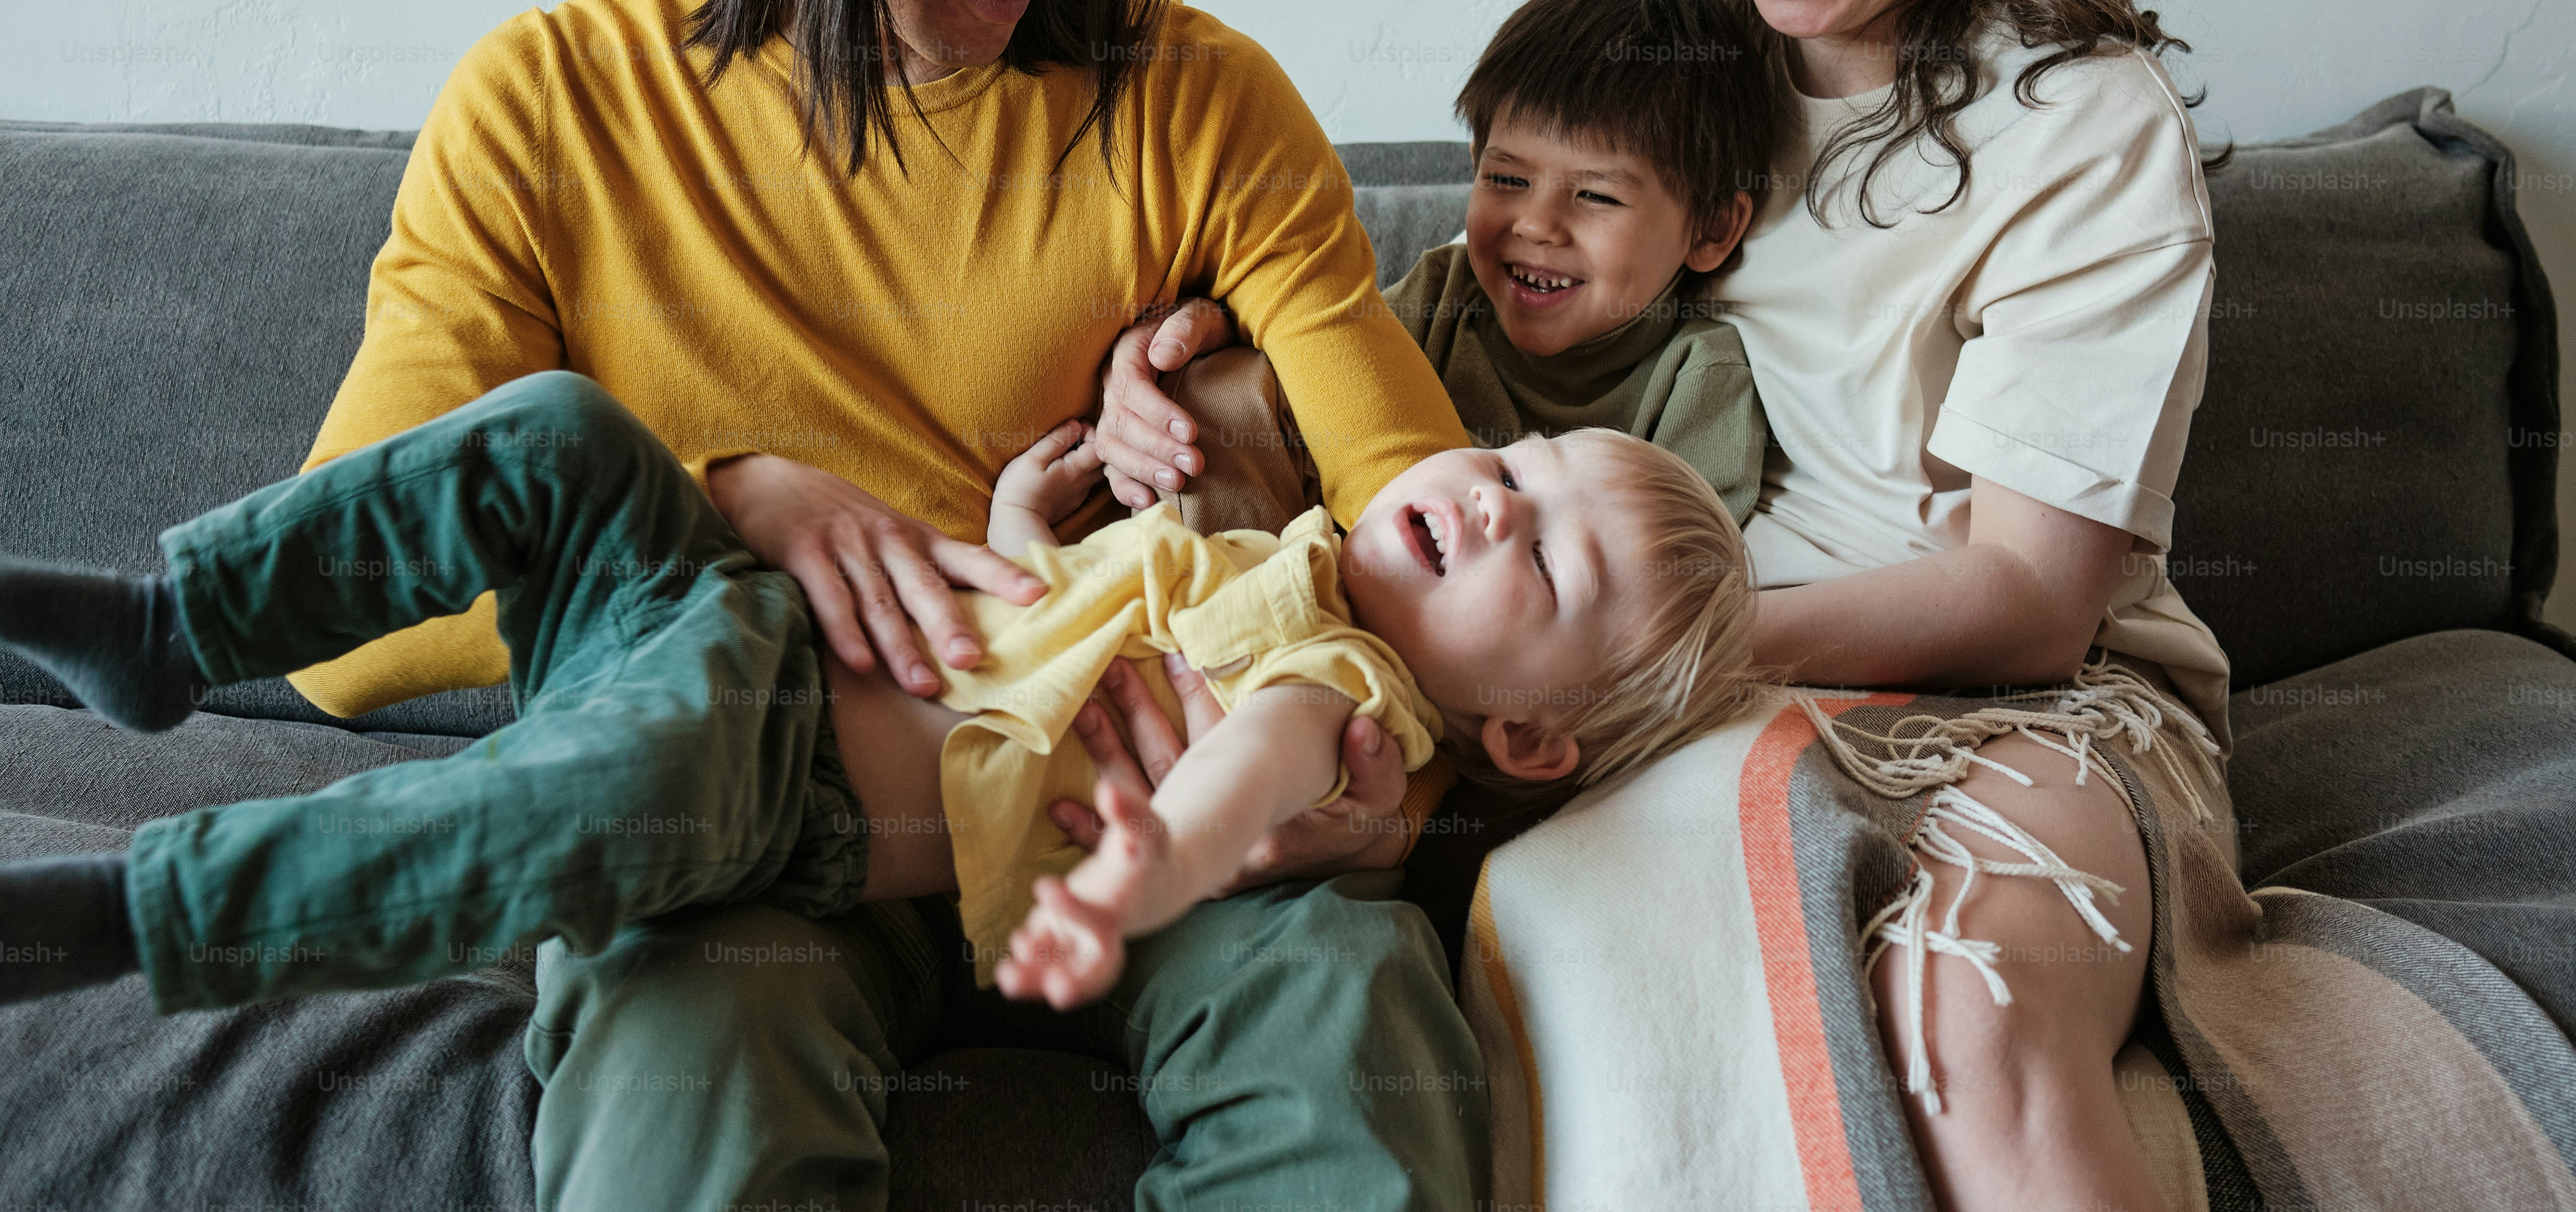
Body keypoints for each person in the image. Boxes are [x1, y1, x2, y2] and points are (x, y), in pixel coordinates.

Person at [199, 0, 1489, 1208]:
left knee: (1350, 1023)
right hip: (777, 836)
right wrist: (709, 506)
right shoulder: (550, 107)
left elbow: (1435, 511)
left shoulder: (1206, 107)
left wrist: (1388, 789)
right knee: (689, 1067)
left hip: (1149, 799)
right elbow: (337, 620)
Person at [1102, 0, 2233, 1212]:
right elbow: (1400, 342)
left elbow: (2028, 601)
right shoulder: (1677, 85)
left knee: (1964, 1018)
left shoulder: (2084, 124)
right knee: (1577, 949)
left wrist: (1622, 659)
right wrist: (1178, 366)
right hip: (1678, 696)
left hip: (2025, 710)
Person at [0, 371, 1758, 1022]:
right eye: (1516, 459)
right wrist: (1015, 530)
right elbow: (1045, 624)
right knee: (563, 433)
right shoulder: (1273, 551)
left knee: (580, 799)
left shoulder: (1343, 686)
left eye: (1548, 560)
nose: (1494, 500)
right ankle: (172, 621)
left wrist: (1131, 882)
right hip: (722, 610)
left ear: (1523, 735)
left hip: (766, 772)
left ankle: (127, 913)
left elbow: (1242, 779)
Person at [1380, 0, 1790, 522]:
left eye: (1596, 195)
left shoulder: (1695, 377)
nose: (1536, 225)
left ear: (1711, 229)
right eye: (1507, 179)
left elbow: (1676, 556)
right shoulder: (1438, 295)